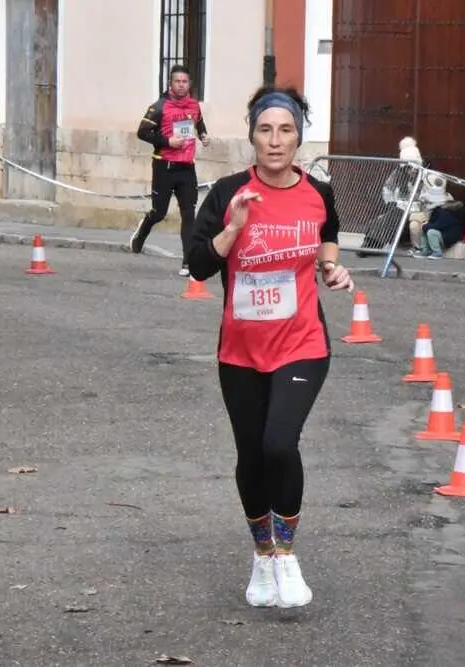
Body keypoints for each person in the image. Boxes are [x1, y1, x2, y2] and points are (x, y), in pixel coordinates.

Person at [187, 85, 353, 609]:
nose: (275, 141)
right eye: (265, 130)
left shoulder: (318, 190)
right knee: (251, 455)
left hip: (303, 340)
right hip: (240, 349)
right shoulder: (226, 194)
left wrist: (330, 266)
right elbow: (198, 265)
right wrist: (234, 227)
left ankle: (286, 555)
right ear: (252, 135)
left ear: (299, 137)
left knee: (280, 443)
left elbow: (330, 230)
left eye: (285, 130)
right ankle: (261, 558)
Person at [130, 64, 211, 276]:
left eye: (185, 82)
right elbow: (142, 132)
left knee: (189, 214)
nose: (181, 85)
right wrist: (167, 141)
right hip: (164, 166)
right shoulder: (159, 107)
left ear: (189, 84)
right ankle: (143, 229)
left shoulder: (194, 105)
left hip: (187, 167)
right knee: (160, 212)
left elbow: (199, 123)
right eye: (177, 82)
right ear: (170, 84)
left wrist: (203, 136)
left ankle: (188, 262)